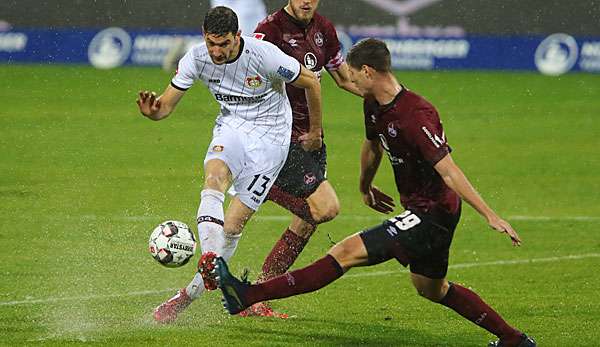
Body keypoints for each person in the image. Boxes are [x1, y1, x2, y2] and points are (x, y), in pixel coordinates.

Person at [215, 38, 536, 347]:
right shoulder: (373, 105)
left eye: (353, 76)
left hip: (433, 213)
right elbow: (372, 146)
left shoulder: (416, 115)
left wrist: (490, 215)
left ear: (367, 72)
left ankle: (248, 295)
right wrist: (365, 186)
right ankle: (513, 339)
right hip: (425, 211)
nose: (350, 82)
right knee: (431, 288)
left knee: (345, 253)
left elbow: (449, 170)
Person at [137, 6, 324, 324]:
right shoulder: (196, 58)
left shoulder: (265, 55)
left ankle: (186, 296)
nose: (217, 51)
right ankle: (210, 257)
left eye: (224, 44)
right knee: (214, 177)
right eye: (212, 43)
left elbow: (312, 83)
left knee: (233, 225)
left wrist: (316, 131)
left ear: (238, 37)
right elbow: (164, 107)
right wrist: (153, 112)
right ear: (204, 37)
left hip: (271, 142)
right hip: (233, 127)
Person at [237, 0, 362, 317]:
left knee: (307, 222)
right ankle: (256, 185)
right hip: (281, 137)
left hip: (311, 141)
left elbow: (345, 78)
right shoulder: (269, 31)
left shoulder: (325, 29)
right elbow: (251, 82)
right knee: (325, 208)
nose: (306, 0)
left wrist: (389, 96)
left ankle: (256, 296)